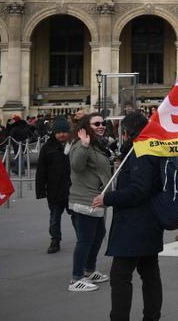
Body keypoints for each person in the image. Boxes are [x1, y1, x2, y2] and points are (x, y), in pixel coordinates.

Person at [93, 112, 163, 321]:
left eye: (124, 131)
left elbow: (139, 190)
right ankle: (152, 316)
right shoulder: (149, 147)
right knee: (150, 273)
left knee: (120, 276)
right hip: (148, 222)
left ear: (130, 131)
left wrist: (108, 198)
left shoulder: (141, 151)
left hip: (135, 225)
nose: (122, 136)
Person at [67, 113, 112, 292]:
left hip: (96, 200)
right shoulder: (81, 144)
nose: (101, 126)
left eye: (103, 123)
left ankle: (89, 269)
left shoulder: (97, 145)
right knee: (85, 240)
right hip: (84, 200)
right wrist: (84, 145)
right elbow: (76, 166)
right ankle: (76, 278)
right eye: (96, 124)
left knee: (98, 234)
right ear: (86, 127)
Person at [37, 116, 72, 254]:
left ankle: (83, 240)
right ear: (54, 133)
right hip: (54, 189)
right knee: (54, 218)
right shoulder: (47, 148)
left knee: (76, 217)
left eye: (64, 131)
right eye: (58, 132)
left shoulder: (74, 145)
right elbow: (41, 170)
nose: (61, 134)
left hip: (71, 189)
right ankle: (55, 240)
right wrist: (40, 190)